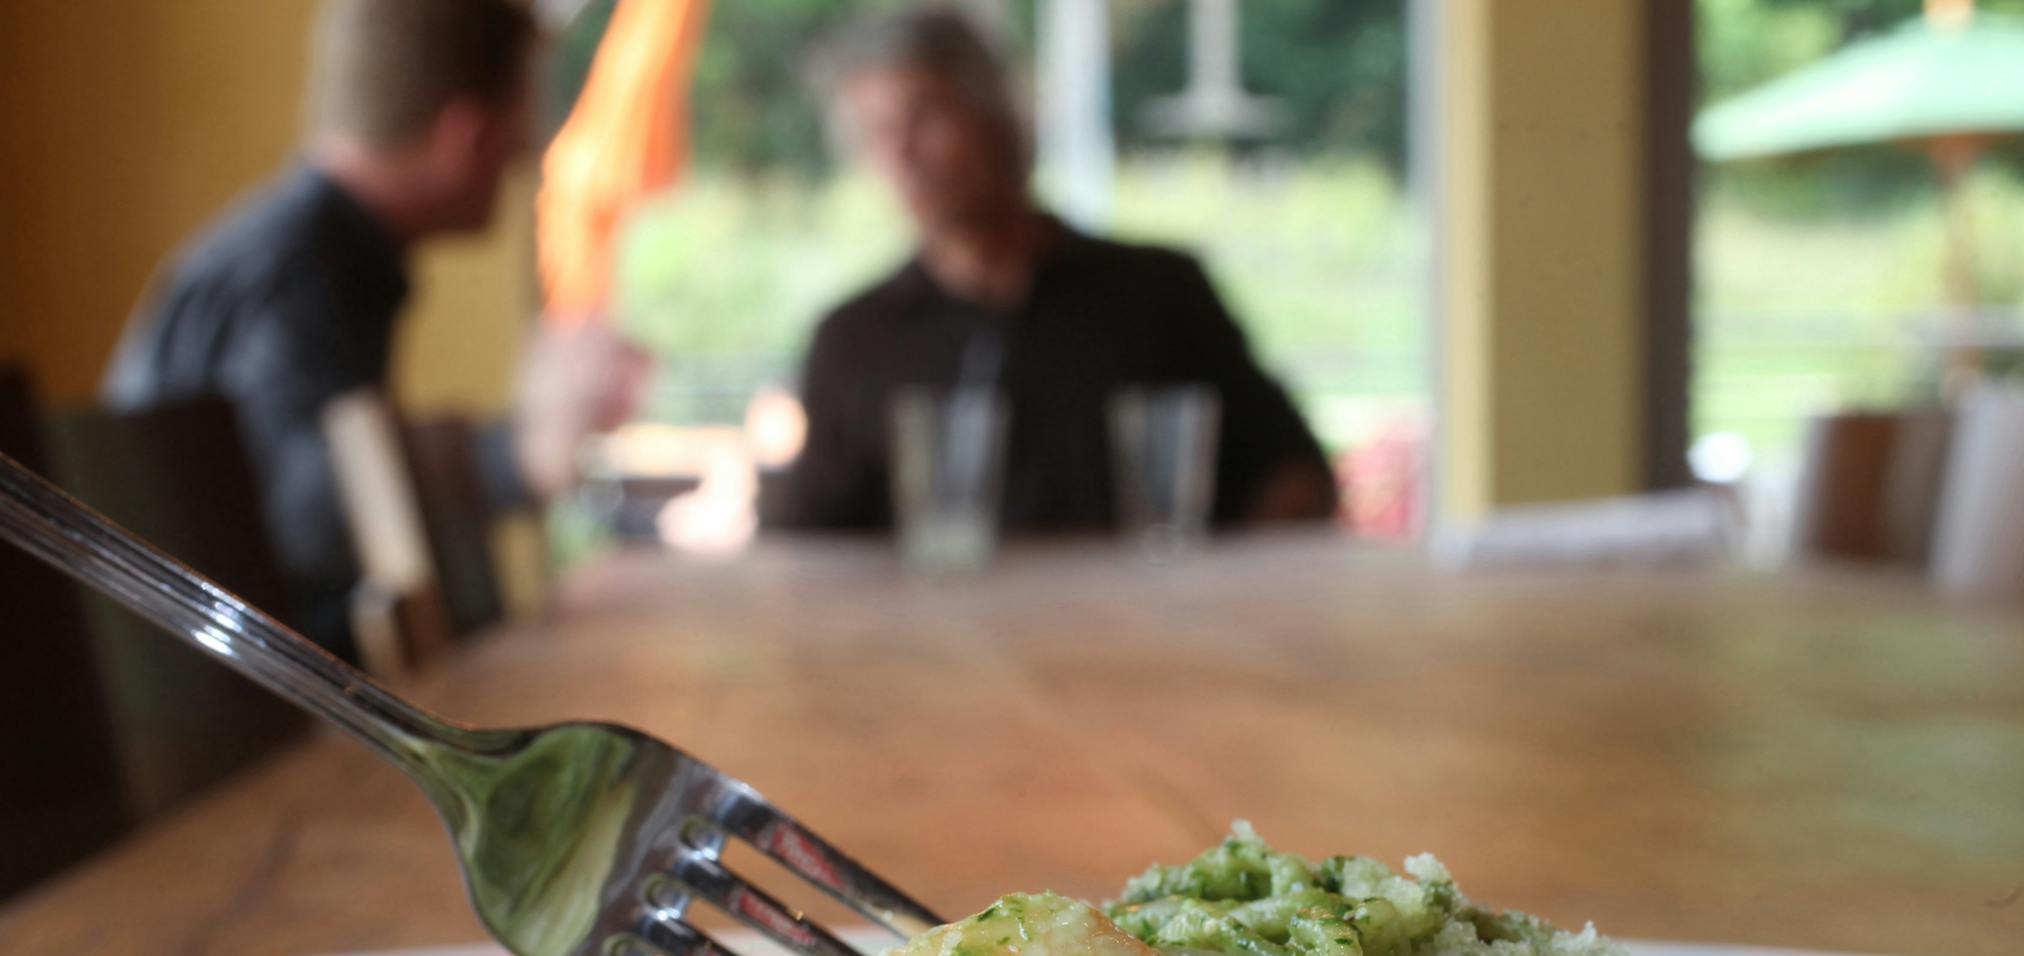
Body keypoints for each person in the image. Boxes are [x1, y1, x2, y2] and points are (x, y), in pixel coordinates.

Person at [103, 0, 637, 656]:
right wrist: (516, 457)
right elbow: (304, 522)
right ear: (466, 139)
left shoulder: (301, 248)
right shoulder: (305, 271)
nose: (525, 161)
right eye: (518, 141)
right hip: (247, 704)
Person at [765, 6, 1337, 537]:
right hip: (944, 615)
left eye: (925, 116)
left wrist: (1211, 584)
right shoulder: (856, 339)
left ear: (999, 116)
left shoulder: (1159, 294)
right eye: (874, 130)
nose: (902, 154)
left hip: (1146, 613)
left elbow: (1296, 476)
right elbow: (809, 540)